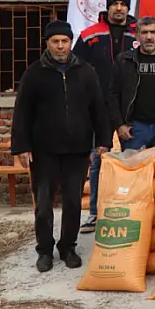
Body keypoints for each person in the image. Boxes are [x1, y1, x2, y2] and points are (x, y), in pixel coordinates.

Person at [12, 21, 110, 272]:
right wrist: (21, 147)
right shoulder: (34, 73)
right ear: (47, 43)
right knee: (43, 204)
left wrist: (103, 140)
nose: (59, 46)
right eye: (54, 41)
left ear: (70, 42)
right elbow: (22, 112)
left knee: (74, 202)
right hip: (43, 150)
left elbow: (98, 107)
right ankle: (44, 250)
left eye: (64, 41)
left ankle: (68, 247)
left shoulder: (85, 71)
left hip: (77, 150)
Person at [74, 0, 135, 234]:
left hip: (129, 106)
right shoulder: (90, 35)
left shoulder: (138, 33)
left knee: (132, 159)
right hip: (97, 107)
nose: (119, 8)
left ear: (128, 8)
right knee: (99, 159)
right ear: (107, 7)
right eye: (115, 4)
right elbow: (76, 68)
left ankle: (130, 208)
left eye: (123, 4)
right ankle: (95, 213)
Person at [108, 17, 155, 151]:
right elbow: (113, 95)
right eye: (144, 33)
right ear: (136, 36)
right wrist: (119, 125)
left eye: (153, 32)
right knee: (135, 170)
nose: (149, 37)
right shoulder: (124, 60)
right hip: (134, 129)